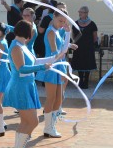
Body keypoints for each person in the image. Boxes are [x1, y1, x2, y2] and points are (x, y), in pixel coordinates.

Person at [2, 20, 54, 147]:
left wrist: (54, 58)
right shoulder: (16, 47)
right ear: (28, 32)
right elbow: (22, 68)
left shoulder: (23, 45)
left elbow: (34, 62)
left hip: (27, 85)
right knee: (32, 121)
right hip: (20, 86)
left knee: (26, 121)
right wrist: (42, 67)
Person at [36, 9, 76, 138]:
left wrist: (68, 35)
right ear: (54, 16)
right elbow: (56, 52)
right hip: (52, 68)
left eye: (64, 22)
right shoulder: (51, 32)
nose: (62, 24)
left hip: (58, 66)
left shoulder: (58, 31)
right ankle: (48, 128)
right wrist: (67, 38)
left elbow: (62, 49)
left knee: (59, 100)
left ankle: (51, 126)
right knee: (51, 99)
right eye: (60, 21)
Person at [71, 6, 98, 89]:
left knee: (87, 64)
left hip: (88, 48)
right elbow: (73, 36)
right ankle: (80, 81)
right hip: (78, 48)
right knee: (79, 64)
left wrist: (90, 44)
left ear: (86, 13)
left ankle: (86, 81)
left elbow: (95, 37)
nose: (79, 13)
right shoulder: (75, 23)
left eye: (81, 12)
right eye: (79, 12)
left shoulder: (92, 24)